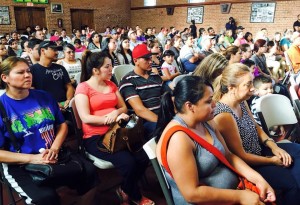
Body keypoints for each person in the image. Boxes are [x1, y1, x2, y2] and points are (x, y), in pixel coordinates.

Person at [154, 75, 275, 205]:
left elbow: (228, 156)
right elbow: (191, 194)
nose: (214, 104)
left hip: (232, 192)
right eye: (208, 101)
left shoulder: (206, 121)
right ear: (190, 106)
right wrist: (240, 197)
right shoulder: (179, 139)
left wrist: (258, 180)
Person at [0, 56, 98, 205]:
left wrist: (55, 147)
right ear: (5, 77)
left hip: (55, 153)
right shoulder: (2, 108)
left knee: (90, 172)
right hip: (20, 163)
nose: (27, 75)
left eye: (28, 71)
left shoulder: (44, 97)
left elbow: (62, 125)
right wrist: (33, 159)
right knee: (45, 198)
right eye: (20, 72)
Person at [213, 63, 300, 205]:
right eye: (247, 85)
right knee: (291, 185)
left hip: (260, 151)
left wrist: (274, 147)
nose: (252, 88)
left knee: (297, 152)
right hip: (251, 165)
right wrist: (271, 160)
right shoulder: (224, 115)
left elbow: (257, 128)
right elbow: (242, 156)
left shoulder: (241, 101)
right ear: (231, 88)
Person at [75, 51, 154, 205]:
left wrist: (116, 113)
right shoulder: (83, 88)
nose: (111, 69)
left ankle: (124, 189)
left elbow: (123, 107)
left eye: (111, 66)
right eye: (107, 66)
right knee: (128, 162)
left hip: (118, 132)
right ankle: (136, 196)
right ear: (95, 70)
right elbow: (85, 117)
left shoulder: (111, 84)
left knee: (144, 156)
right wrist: (107, 119)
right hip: (95, 138)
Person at [119, 44, 169, 139]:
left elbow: (169, 97)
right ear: (135, 61)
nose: (150, 61)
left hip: (161, 118)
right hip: (142, 123)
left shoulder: (155, 76)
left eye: (150, 58)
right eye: (146, 59)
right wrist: (163, 122)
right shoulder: (127, 80)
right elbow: (140, 110)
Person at [30, 41, 74, 110]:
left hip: (64, 106)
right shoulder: (32, 70)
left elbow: (69, 86)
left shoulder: (60, 68)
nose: (57, 53)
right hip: (45, 108)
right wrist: (52, 104)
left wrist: (68, 100)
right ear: (43, 51)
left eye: (57, 50)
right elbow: (33, 93)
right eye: (54, 50)